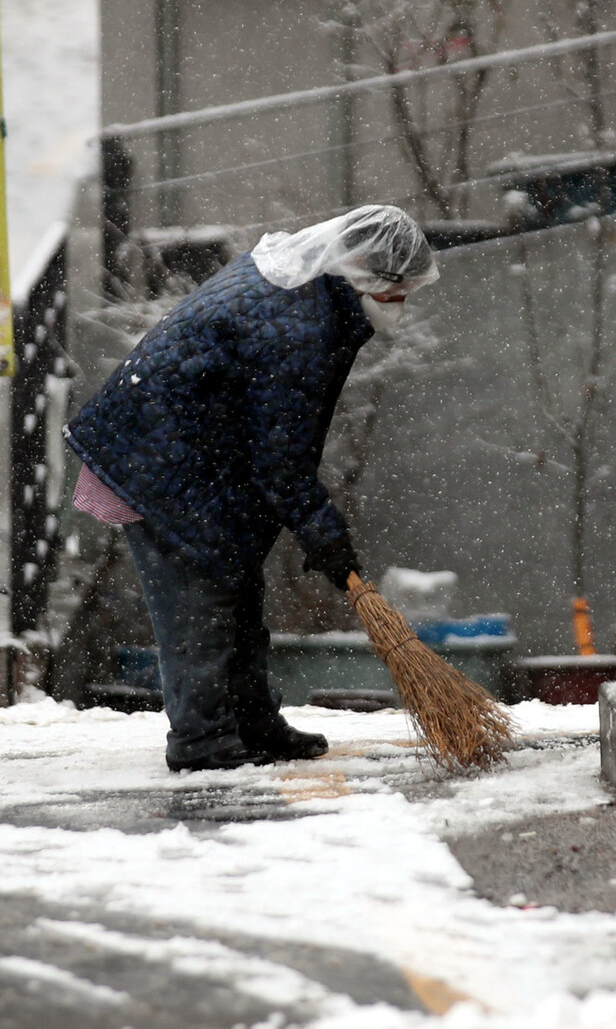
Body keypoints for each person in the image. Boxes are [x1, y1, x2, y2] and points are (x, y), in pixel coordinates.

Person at [66, 205, 439, 772]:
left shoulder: (304, 284)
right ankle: (202, 741)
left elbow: (272, 435)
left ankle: (253, 722)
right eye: (397, 291)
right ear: (361, 269)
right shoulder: (300, 323)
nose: (400, 306)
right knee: (200, 601)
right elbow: (281, 458)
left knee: (235, 583)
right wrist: (326, 537)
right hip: (155, 461)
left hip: (189, 452)